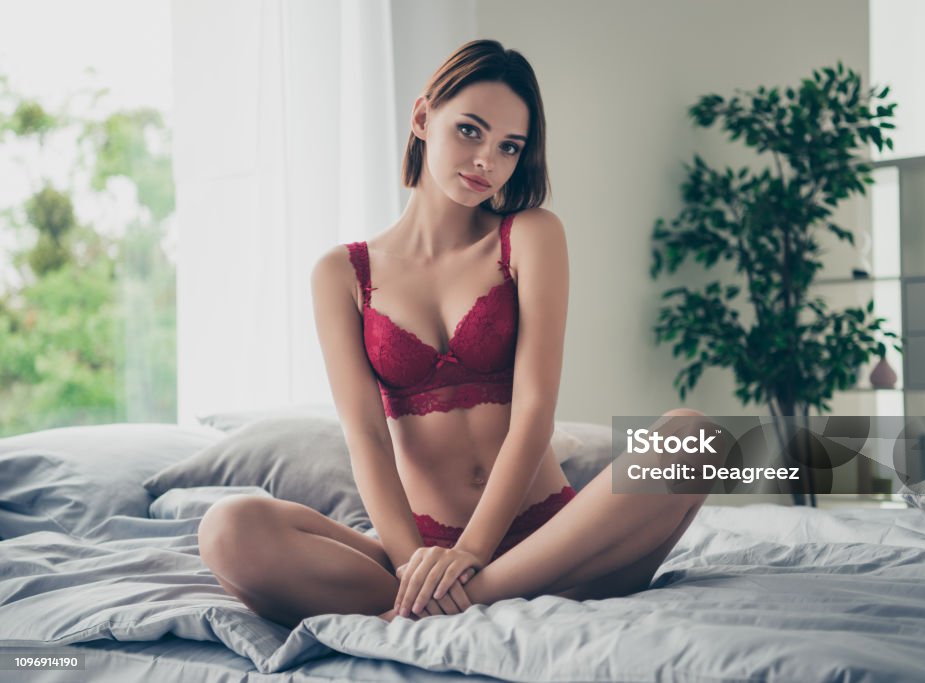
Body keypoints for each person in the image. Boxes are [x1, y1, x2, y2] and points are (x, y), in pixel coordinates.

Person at [197, 39, 712, 628]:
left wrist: (470, 557)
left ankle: (466, 602)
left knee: (695, 438)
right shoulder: (342, 273)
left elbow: (536, 411)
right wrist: (416, 561)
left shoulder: (530, 235)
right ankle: (441, 598)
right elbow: (368, 437)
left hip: (550, 540)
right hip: (419, 556)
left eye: (508, 147)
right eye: (470, 131)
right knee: (228, 527)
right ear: (422, 117)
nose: (486, 161)